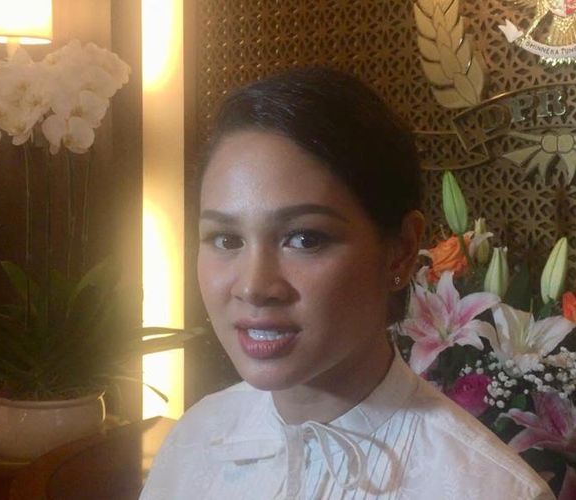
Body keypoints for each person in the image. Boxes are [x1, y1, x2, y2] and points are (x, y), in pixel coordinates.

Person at [141, 67, 555, 500]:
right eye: (227, 240)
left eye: (305, 239)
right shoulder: (194, 441)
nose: (253, 287)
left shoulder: (488, 489)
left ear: (400, 250)